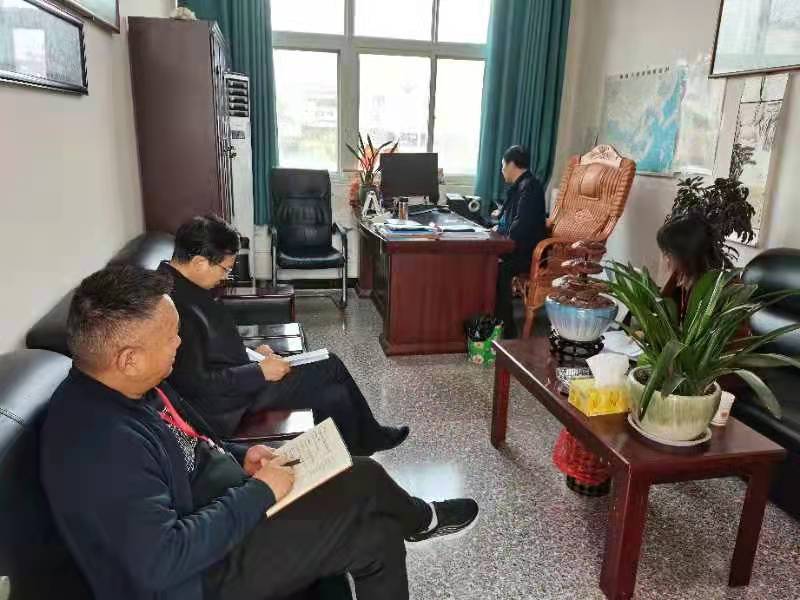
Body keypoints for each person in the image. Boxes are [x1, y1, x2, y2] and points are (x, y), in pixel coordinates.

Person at [40, 264, 479, 600]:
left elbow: (190, 440)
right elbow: (163, 561)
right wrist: (260, 492)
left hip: (221, 507)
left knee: (369, 508)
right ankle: (421, 519)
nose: (179, 343)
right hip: (200, 576)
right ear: (129, 358)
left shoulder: (130, 384)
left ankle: (419, 519)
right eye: (171, 337)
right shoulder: (98, 445)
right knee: (366, 494)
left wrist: (238, 455)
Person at [158, 215, 408, 454]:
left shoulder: (182, 285)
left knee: (335, 395)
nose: (225, 277)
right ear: (199, 263)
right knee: (329, 364)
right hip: (228, 402)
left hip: (240, 379)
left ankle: (356, 453)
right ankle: (372, 437)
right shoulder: (173, 307)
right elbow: (198, 383)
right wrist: (260, 371)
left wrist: (252, 353)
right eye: (225, 269)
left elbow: (212, 346)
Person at [492, 145, 547, 338]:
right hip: (516, 246)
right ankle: (491, 318)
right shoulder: (521, 186)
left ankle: (507, 331)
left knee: (497, 268)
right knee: (487, 261)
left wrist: (501, 243)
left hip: (527, 253)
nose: (502, 170)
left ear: (512, 164)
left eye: (503, 165)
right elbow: (509, 222)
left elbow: (520, 226)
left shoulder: (530, 187)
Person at [656, 213, 728, 316]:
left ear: (685, 257)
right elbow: (660, 306)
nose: (666, 258)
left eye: (668, 253)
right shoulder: (686, 273)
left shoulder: (719, 292)